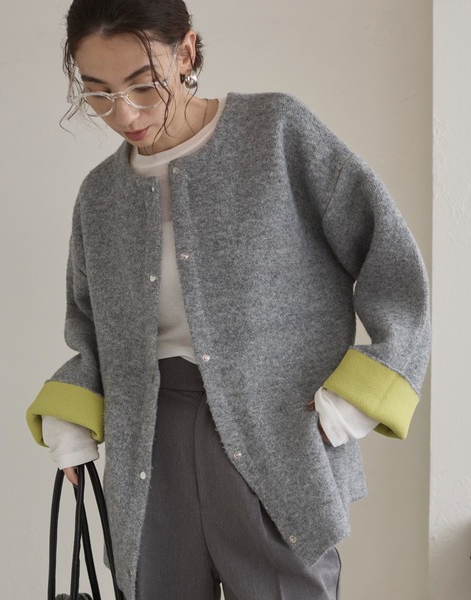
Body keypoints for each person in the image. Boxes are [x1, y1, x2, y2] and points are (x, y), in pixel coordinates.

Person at [26, 1, 431, 599]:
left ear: (186, 52)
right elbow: (89, 328)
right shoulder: (100, 195)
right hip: (148, 447)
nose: (125, 113)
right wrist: (70, 417)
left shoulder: (278, 134)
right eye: (99, 93)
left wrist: (354, 402)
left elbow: (392, 264)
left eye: (143, 84)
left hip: (278, 434)